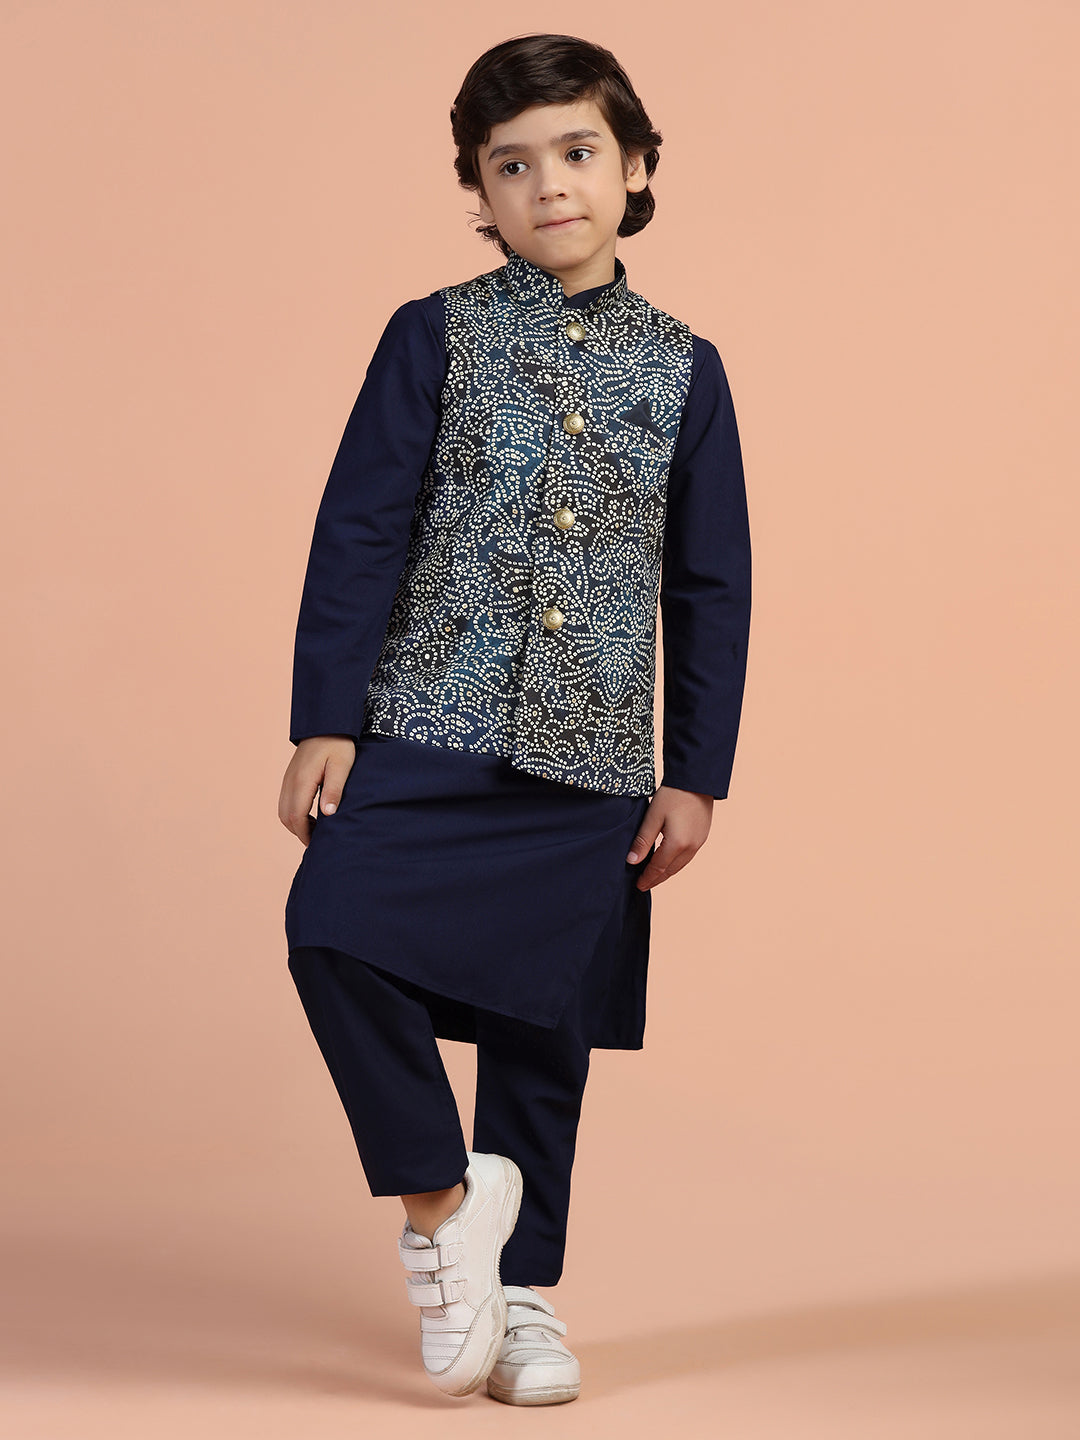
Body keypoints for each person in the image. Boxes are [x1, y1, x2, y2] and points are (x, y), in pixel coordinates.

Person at [277, 32, 752, 1406]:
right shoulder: (431, 334)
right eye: (512, 165)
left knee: (541, 1029)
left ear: (636, 166)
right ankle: (446, 1210)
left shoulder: (687, 370)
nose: (550, 185)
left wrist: (695, 772)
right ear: (478, 191)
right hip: (423, 718)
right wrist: (325, 716)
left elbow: (708, 582)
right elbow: (360, 528)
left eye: (579, 152)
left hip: (593, 749)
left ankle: (525, 1297)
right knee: (330, 930)